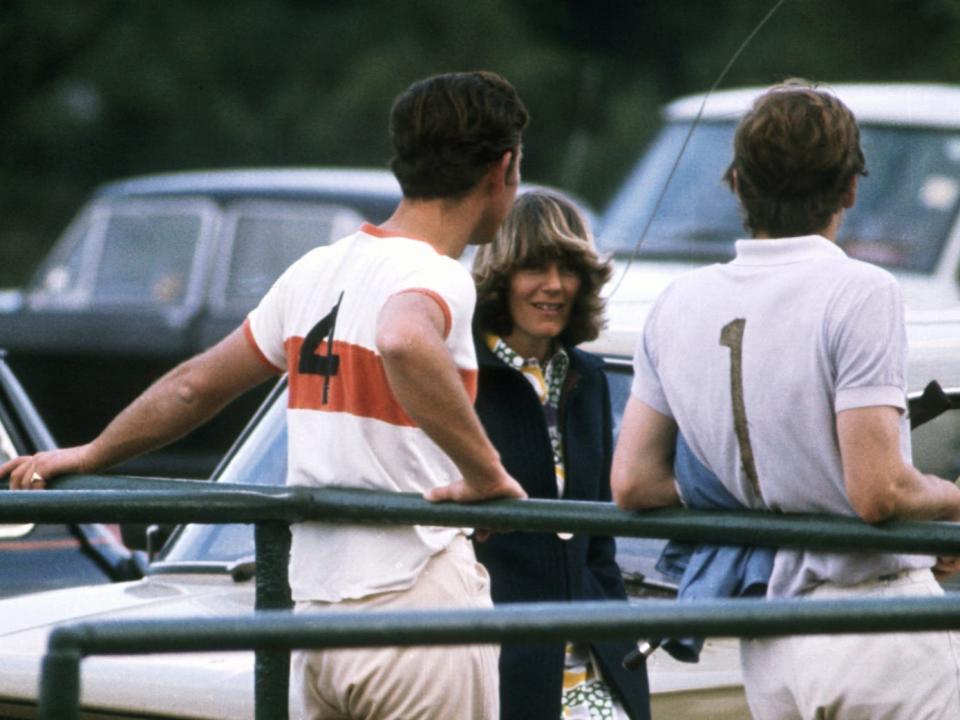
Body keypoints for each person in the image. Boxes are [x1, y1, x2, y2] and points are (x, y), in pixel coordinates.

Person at [3, 70, 530, 720]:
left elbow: (195, 385)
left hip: (310, 612)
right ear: (501, 169)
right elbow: (401, 338)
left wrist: (90, 452)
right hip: (414, 596)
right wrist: (488, 475)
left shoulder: (315, 269)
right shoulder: (439, 276)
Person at [610, 79, 960, 720]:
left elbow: (632, 482)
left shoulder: (677, 303)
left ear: (737, 183)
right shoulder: (860, 291)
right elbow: (879, 490)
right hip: (875, 621)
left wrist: (764, 483)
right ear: (852, 189)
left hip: (768, 630)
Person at [470, 190, 650, 720]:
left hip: (598, 661)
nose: (553, 285)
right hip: (496, 662)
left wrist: (623, 651)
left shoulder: (587, 378)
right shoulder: (459, 377)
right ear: (500, 276)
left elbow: (599, 546)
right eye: (532, 267)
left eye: (568, 268)